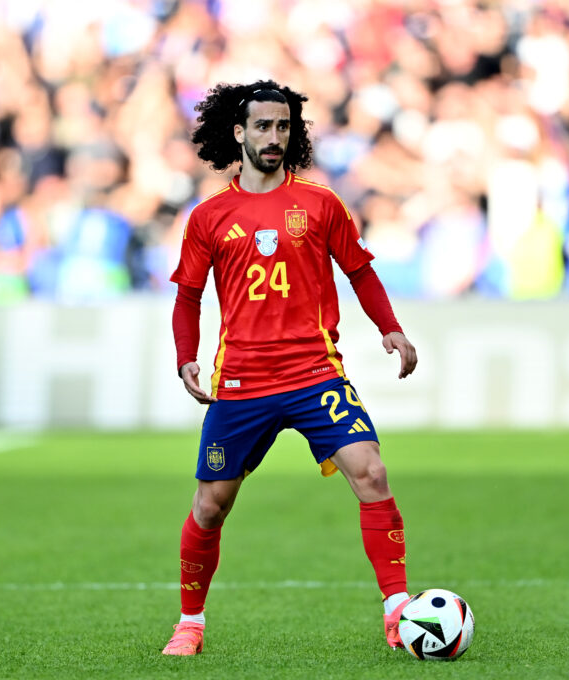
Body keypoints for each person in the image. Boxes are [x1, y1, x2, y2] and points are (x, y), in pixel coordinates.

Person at [162, 80, 419, 656]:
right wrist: (186, 359)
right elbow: (186, 297)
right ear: (239, 132)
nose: (274, 137)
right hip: (243, 382)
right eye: (262, 127)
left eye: (283, 127)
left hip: (314, 375)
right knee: (210, 505)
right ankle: (190, 623)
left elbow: (360, 272)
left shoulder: (322, 205)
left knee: (372, 473)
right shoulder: (209, 217)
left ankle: (398, 610)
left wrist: (390, 327)